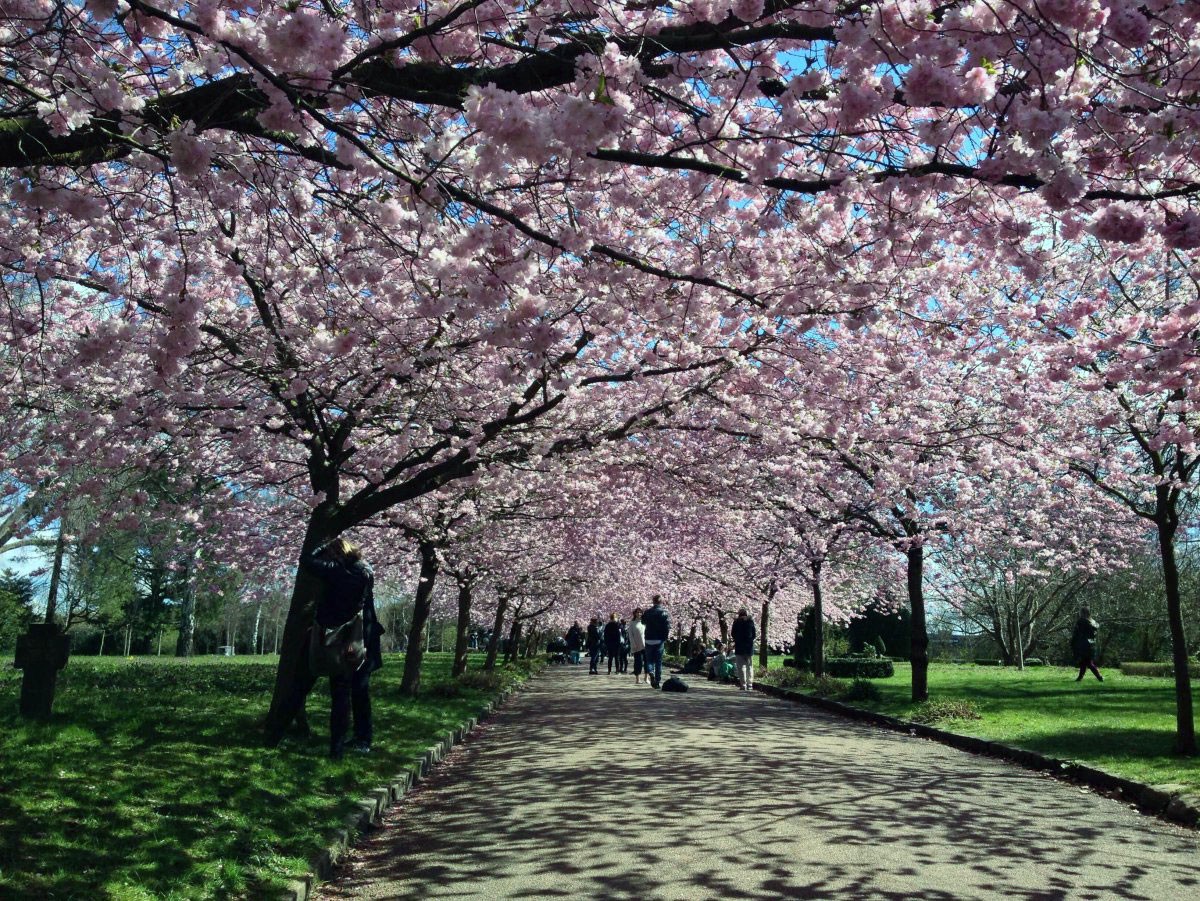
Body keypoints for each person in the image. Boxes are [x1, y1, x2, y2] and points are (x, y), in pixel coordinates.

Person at [300, 537, 383, 759]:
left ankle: (339, 746)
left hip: (341, 640)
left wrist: (321, 546)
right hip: (363, 638)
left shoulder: (335, 571)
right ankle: (363, 738)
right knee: (361, 691)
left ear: (334, 554)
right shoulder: (365, 571)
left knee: (341, 692)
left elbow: (306, 560)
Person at [641, 594, 671, 688]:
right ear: (661, 602)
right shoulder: (664, 612)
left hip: (649, 638)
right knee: (658, 661)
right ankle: (657, 681)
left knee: (649, 660)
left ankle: (650, 672)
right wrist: (665, 637)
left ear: (653, 601)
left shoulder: (647, 612)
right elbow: (667, 627)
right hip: (659, 639)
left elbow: (643, 622)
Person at [1071, 607, 1103, 682]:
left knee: (1088, 662)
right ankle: (1079, 678)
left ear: (1083, 613)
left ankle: (1099, 677)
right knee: (1084, 662)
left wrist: (1074, 643)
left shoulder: (1081, 622)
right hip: (1092, 645)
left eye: (1080, 612)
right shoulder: (1093, 622)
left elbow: (1077, 634)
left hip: (1084, 644)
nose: (1079, 614)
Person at [731, 607, 757, 691]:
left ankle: (743, 685)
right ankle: (750, 684)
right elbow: (754, 634)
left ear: (739, 614)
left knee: (740, 667)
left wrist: (738, 640)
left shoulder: (736, 622)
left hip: (739, 647)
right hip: (749, 647)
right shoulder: (750, 621)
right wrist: (749, 641)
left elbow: (733, 634)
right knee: (750, 666)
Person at [629, 609, 647, 683]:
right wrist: (633, 644)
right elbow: (630, 635)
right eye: (637, 612)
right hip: (636, 645)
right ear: (635, 613)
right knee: (638, 662)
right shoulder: (632, 623)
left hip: (646, 645)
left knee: (647, 662)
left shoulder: (645, 623)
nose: (639, 614)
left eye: (640, 612)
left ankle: (646, 678)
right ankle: (637, 678)